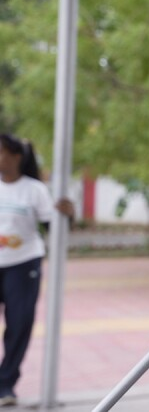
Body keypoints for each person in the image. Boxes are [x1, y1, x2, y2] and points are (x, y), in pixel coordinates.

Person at [0, 133, 74, 406]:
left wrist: (68, 215)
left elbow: (53, 228)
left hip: (23, 265)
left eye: (1, 152)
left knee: (19, 324)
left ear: (16, 156)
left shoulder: (34, 190)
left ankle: (5, 384)